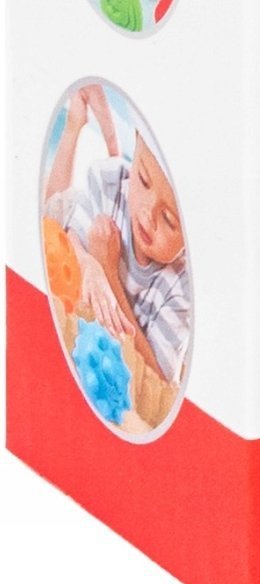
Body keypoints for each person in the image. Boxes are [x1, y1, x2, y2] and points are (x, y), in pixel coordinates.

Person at [43, 83, 192, 404]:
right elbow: (65, 237)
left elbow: (160, 380)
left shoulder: (180, 287)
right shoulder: (113, 181)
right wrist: (89, 262)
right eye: (144, 179)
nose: (148, 214)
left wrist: (108, 271)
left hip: (111, 359)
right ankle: (75, 124)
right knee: (54, 215)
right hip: (85, 220)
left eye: (169, 219)